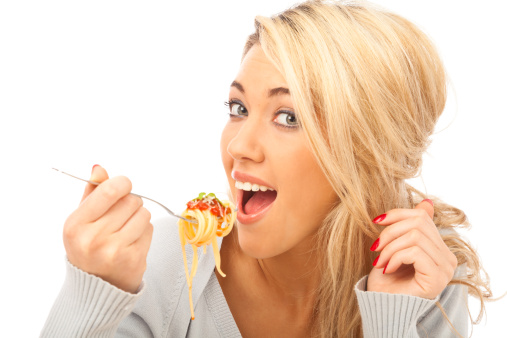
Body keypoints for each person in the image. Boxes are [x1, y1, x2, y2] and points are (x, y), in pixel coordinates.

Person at [41, 0, 492, 337]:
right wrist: (91, 294)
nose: (239, 146)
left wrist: (391, 322)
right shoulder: (161, 268)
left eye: (288, 117)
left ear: (367, 148)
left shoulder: (422, 271)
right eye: (238, 108)